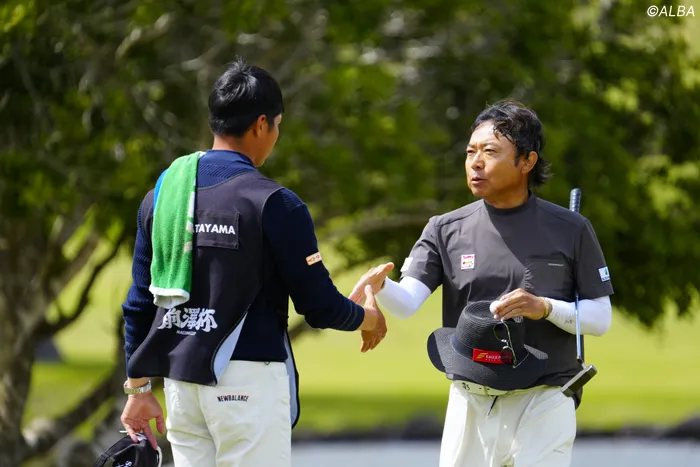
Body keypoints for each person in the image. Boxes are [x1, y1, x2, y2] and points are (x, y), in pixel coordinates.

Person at [119, 57, 387, 467]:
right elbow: (319, 307)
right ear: (262, 124)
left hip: (181, 385)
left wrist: (138, 389)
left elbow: (139, 303)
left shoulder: (161, 197)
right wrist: (368, 317)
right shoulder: (275, 203)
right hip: (247, 386)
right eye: (277, 125)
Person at [349, 100, 614, 467]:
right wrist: (381, 287)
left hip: (545, 400)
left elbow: (600, 318)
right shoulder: (444, 228)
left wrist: (545, 308)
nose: (475, 162)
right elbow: (408, 302)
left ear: (527, 161)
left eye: (490, 152)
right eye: (470, 152)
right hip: (469, 401)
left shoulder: (571, 229)